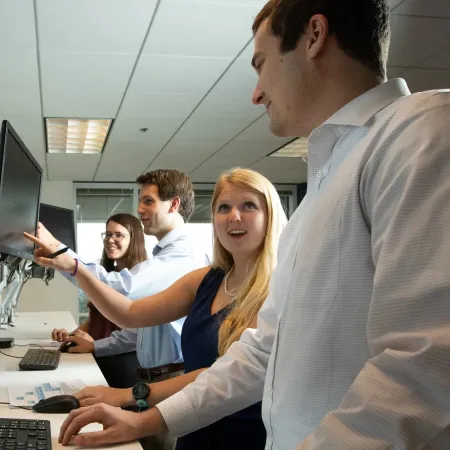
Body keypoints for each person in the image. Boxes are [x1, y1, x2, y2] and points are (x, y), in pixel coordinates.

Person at [34, 0, 450, 448]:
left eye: (261, 64)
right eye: (222, 208)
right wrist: (147, 420)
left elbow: (426, 368)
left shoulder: (421, 131)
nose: (256, 92)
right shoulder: (325, 188)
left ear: (314, 35)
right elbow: (261, 354)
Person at [26, 168, 287, 450]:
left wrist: (130, 395)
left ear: (270, 216)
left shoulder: (277, 289)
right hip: (191, 423)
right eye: (223, 207)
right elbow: (130, 313)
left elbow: (222, 373)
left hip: (240, 433)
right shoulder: (207, 279)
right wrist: (72, 267)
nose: (234, 216)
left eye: (249, 206)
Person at [51, 213, 147, 343]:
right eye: (108, 234)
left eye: (118, 235)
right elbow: (95, 321)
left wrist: (94, 345)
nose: (110, 240)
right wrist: (70, 336)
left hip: (119, 358)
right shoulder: (107, 274)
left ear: (134, 240)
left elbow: (131, 338)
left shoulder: (139, 280)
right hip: (97, 354)